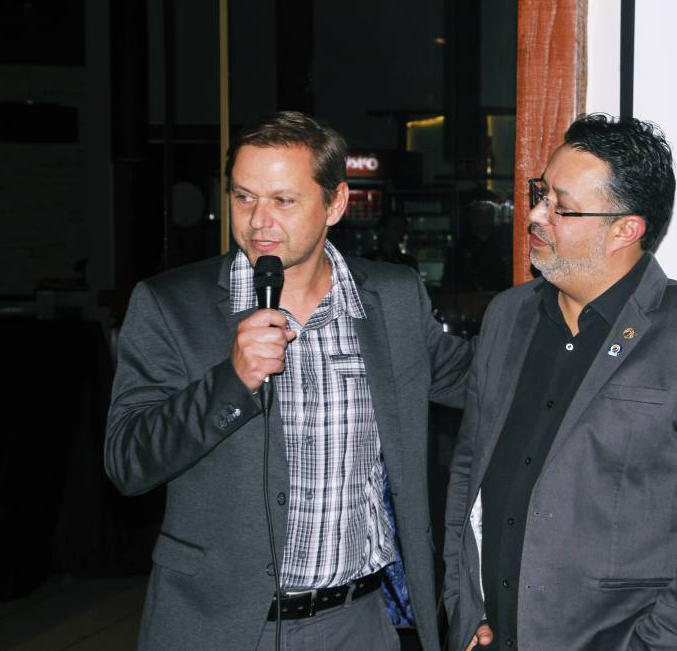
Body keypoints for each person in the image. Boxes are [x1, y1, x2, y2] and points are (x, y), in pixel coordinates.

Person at [105, 111, 471, 650]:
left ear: (336, 204)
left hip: (357, 623)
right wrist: (231, 381)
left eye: (283, 200)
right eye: (244, 197)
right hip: (220, 626)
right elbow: (127, 462)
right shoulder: (171, 306)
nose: (259, 221)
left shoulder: (393, 298)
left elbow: (480, 380)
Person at [442, 114, 677, 651]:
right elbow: (470, 471)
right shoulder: (507, 316)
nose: (536, 214)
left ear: (626, 229)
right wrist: (463, 604)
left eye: (562, 206)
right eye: (540, 193)